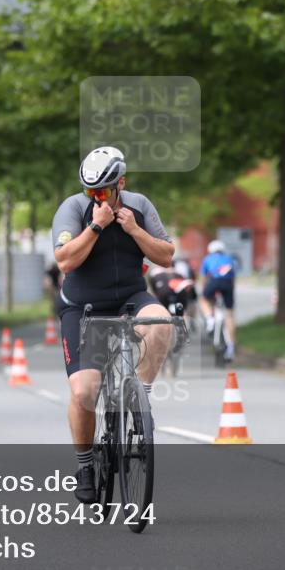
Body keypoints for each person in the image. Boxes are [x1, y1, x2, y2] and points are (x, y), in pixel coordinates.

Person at [52, 146, 174, 504]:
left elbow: (166, 256)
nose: (97, 198)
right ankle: (86, 464)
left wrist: (135, 230)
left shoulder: (140, 205)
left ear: (121, 183)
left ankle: (141, 399)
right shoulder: (74, 209)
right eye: (91, 192)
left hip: (130, 297)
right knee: (84, 392)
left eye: (103, 192)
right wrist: (96, 225)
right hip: (82, 306)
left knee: (161, 321)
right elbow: (64, 261)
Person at [198, 239, 237, 360]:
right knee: (229, 314)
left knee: (204, 300)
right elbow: (233, 279)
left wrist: (204, 289)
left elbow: (203, 278)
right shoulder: (229, 259)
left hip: (213, 283)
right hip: (227, 285)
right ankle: (231, 347)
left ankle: (210, 319)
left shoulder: (208, 259)